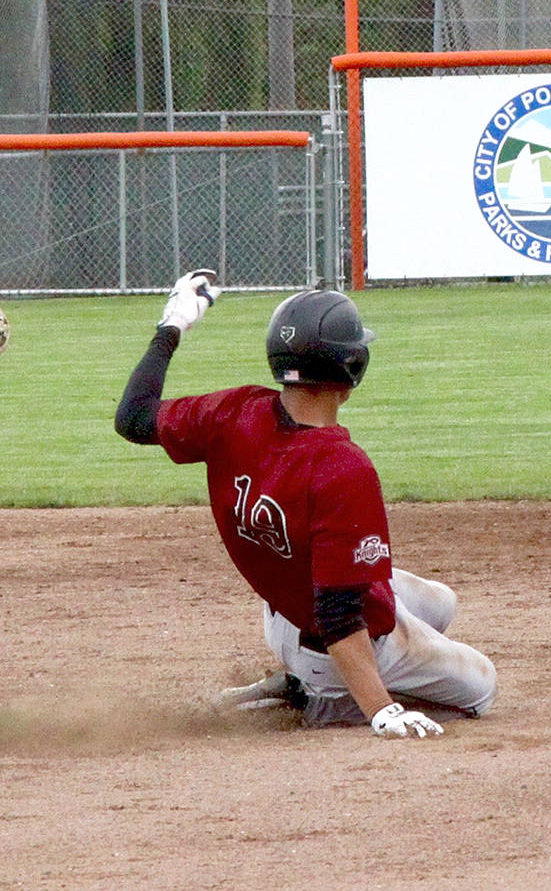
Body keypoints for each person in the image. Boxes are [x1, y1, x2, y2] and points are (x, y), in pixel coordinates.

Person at [115, 272, 497, 733]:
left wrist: (173, 323)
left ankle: (313, 679)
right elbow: (338, 615)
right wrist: (382, 710)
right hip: (329, 646)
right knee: (481, 688)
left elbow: (133, 418)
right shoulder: (343, 467)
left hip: (283, 619)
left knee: (441, 604)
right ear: (352, 368)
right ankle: (314, 700)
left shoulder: (234, 412)